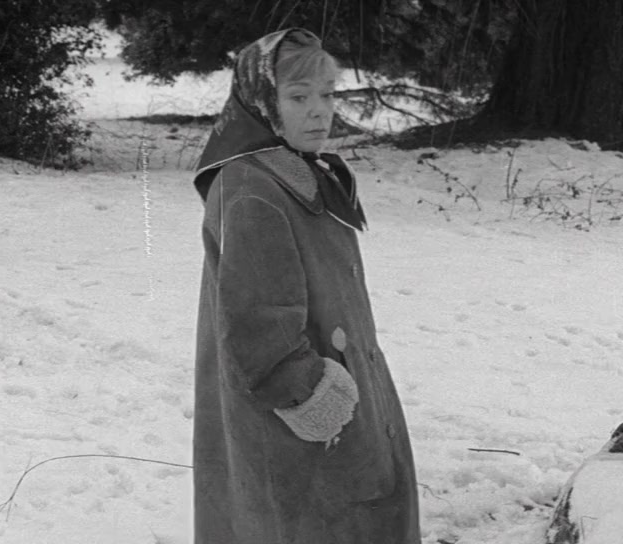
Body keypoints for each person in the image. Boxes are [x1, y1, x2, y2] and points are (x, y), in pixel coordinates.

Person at [191, 28, 420, 544]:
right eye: (298, 97)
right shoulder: (252, 189)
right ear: (261, 102)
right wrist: (314, 397)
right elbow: (258, 326)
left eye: (327, 94)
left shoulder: (292, 173)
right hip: (299, 425)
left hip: (339, 398)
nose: (320, 111)